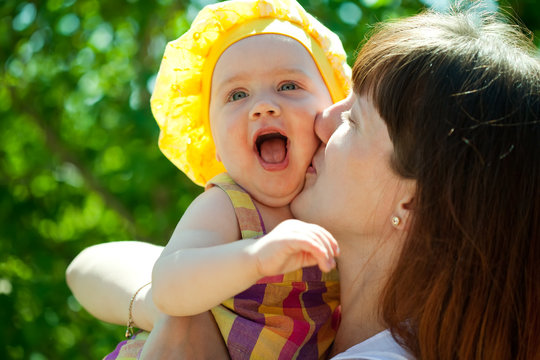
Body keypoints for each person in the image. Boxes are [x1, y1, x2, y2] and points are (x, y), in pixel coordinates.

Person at [67, 5, 540, 360]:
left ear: (412, 202)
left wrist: (188, 315)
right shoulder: (271, 237)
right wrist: (182, 308)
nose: (321, 120)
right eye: (236, 94)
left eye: (352, 120)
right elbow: (88, 266)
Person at [68, 0, 351, 359]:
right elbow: (169, 284)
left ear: (332, 112)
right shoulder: (229, 205)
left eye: (289, 86)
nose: (263, 105)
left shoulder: (339, 203)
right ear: (214, 143)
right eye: (237, 95)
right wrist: (254, 258)